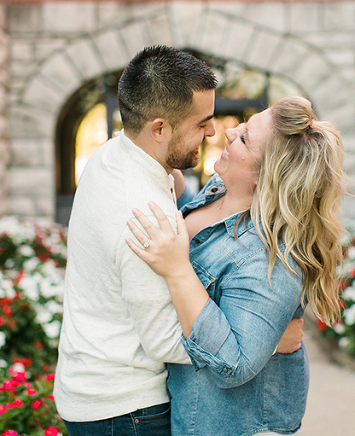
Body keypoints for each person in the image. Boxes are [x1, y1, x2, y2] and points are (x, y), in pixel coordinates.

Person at [53, 45, 302, 436]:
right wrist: (262, 344)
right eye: (202, 122)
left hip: (91, 387)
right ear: (158, 128)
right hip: (127, 409)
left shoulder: (112, 155)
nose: (214, 131)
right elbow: (166, 340)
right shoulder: (148, 219)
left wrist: (174, 186)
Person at [126, 96, 347, 436]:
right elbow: (202, 230)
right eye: (244, 125)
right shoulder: (221, 191)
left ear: (266, 176)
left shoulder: (272, 260)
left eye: (244, 138)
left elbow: (235, 364)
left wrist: (177, 270)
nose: (230, 132)